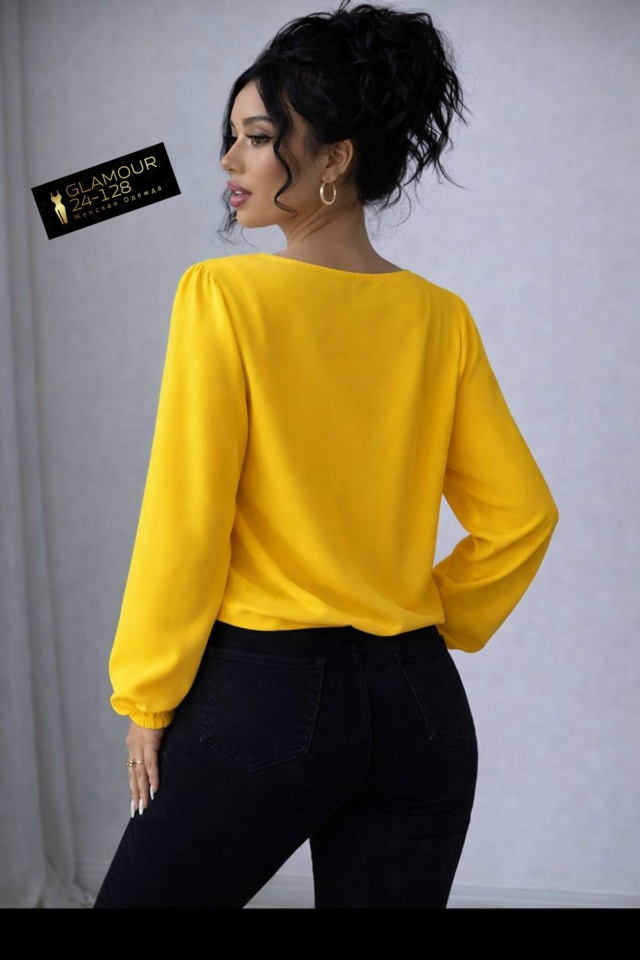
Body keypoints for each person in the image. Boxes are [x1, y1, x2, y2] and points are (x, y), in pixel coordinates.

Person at [94, 0, 558, 909]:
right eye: (231, 138)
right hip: (420, 709)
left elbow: (187, 521)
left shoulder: (223, 296)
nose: (230, 163)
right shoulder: (439, 318)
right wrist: (428, 621)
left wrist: (147, 698)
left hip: (265, 701)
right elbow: (523, 518)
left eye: (258, 139)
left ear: (335, 159)